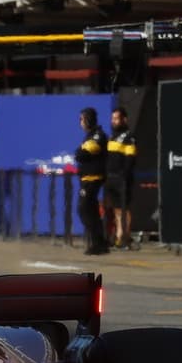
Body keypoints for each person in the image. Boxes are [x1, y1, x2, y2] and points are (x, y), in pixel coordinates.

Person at [76, 107, 109, 255]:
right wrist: (80, 152)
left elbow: (83, 153)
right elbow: (81, 153)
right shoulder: (89, 136)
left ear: (88, 120)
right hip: (87, 178)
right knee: (92, 211)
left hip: (93, 178)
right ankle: (100, 243)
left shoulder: (98, 135)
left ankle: (97, 243)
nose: (80, 122)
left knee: (84, 210)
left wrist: (80, 151)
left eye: (82, 119)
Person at [106, 107, 138, 249]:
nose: (113, 121)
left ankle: (124, 238)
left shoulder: (129, 137)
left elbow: (130, 159)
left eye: (116, 118)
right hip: (110, 178)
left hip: (122, 179)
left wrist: (123, 176)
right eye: (112, 118)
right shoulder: (112, 136)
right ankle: (119, 236)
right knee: (116, 209)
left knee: (124, 209)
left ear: (124, 119)